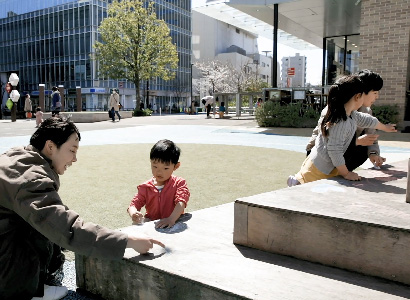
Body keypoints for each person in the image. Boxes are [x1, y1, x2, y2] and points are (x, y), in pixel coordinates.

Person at [0, 117, 164, 300]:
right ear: (51, 147)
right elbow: (66, 228)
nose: (75, 159)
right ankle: (27, 291)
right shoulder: (30, 180)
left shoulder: (18, 156)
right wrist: (126, 241)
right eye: (72, 150)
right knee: (51, 227)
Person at [287, 74, 396, 186]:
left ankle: (298, 180)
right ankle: (295, 181)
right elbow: (335, 151)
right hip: (319, 167)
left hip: (329, 164)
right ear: (357, 97)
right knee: (308, 183)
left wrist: (384, 127)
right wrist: (346, 174)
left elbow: (367, 120)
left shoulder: (351, 114)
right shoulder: (339, 122)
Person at [306, 69, 385, 171]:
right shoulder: (335, 108)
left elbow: (372, 136)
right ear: (361, 93)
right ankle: (339, 173)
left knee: (364, 148)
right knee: (359, 144)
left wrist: (374, 154)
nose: (377, 97)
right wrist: (356, 142)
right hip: (320, 152)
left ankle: (340, 172)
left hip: (341, 149)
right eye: (375, 93)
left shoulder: (366, 111)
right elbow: (330, 141)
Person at [127, 139, 190, 229]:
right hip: (153, 224)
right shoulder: (145, 187)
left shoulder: (179, 183)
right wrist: (133, 213)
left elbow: (181, 202)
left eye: (166, 168)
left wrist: (171, 219)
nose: (159, 172)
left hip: (174, 222)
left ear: (176, 166)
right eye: (155, 166)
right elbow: (133, 205)